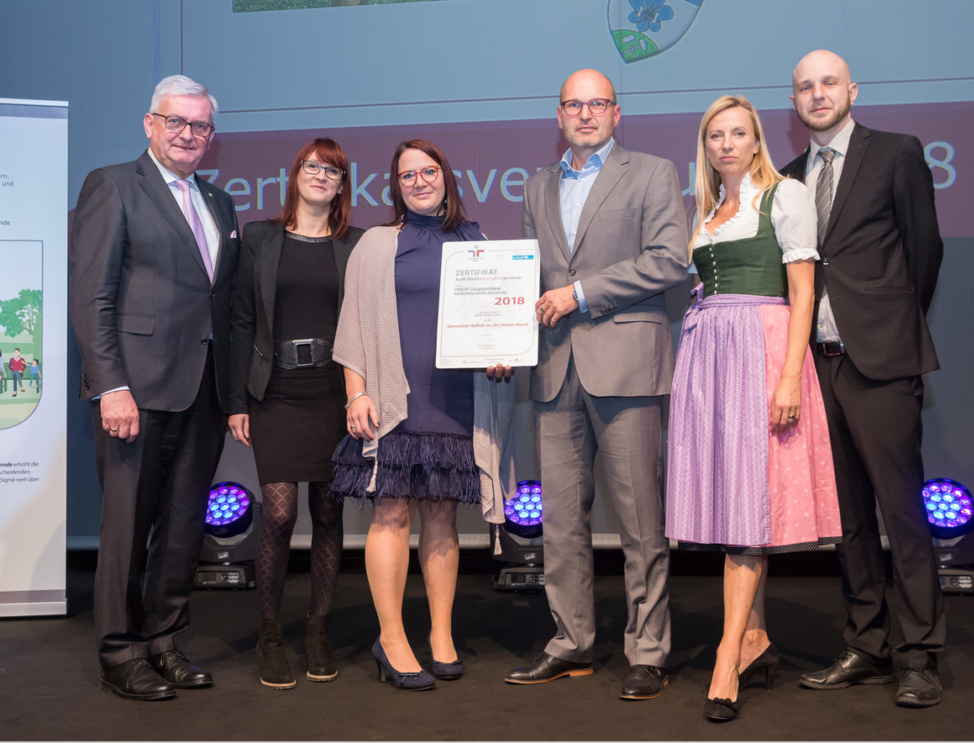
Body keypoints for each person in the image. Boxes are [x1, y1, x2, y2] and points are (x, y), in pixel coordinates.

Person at [503, 69, 689, 701]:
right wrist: (502, 341)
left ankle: (648, 651)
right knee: (560, 522)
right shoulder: (536, 186)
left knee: (640, 521)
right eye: (574, 105)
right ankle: (571, 642)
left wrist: (580, 293)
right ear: (559, 115)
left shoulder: (653, 172)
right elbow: (527, 278)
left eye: (597, 104)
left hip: (626, 365)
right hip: (555, 368)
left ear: (616, 113)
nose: (585, 114)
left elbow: (669, 259)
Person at [664, 95, 841, 721]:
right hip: (711, 355)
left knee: (746, 504)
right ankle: (755, 637)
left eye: (738, 133)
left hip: (760, 351)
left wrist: (790, 377)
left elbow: (803, 291)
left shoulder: (783, 196)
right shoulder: (708, 208)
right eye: (716, 135)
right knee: (733, 498)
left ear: (758, 140)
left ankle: (725, 658)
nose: (727, 144)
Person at [780, 50, 946, 708]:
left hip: (882, 362)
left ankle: (919, 653)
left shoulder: (897, 152)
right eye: (805, 87)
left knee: (902, 513)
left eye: (828, 83)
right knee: (847, 518)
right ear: (794, 101)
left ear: (852, 90)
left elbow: (925, 251)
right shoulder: (788, 178)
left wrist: (889, 329)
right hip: (818, 368)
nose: (818, 94)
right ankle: (867, 644)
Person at [69, 75, 239, 701]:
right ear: (150, 123)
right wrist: (110, 385)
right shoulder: (113, 185)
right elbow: (92, 297)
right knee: (125, 528)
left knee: (183, 525)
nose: (189, 134)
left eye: (201, 126)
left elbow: (218, 301)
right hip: (135, 393)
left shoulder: (219, 202)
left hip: (203, 390)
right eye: (177, 122)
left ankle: (164, 641)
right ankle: (120, 652)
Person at [331, 139, 515, 691]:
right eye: (406, 175)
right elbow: (353, 325)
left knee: (441, 515)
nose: (418, 181)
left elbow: (497, 318)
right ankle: (391, 640)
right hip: (394, 401)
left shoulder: (478, 242)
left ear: (446, 176)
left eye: (427, 171)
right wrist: (356, 394)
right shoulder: (376, 244)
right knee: (391, 513)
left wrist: (502, 349)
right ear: (396, 185)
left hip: (457, 399)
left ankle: (440, 635)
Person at [228, 138, 363, 689]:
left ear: (342, 185)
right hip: (275, 391)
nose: (320, 175)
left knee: (328, 513)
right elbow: (240, 321)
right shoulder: (259, 238)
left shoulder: (355, 244)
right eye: (312, 166)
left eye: (333, 171)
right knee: (280, 516)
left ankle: (317, 631)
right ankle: (269, 636)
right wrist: (235, 401)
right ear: (295, 174)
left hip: (334, 391)